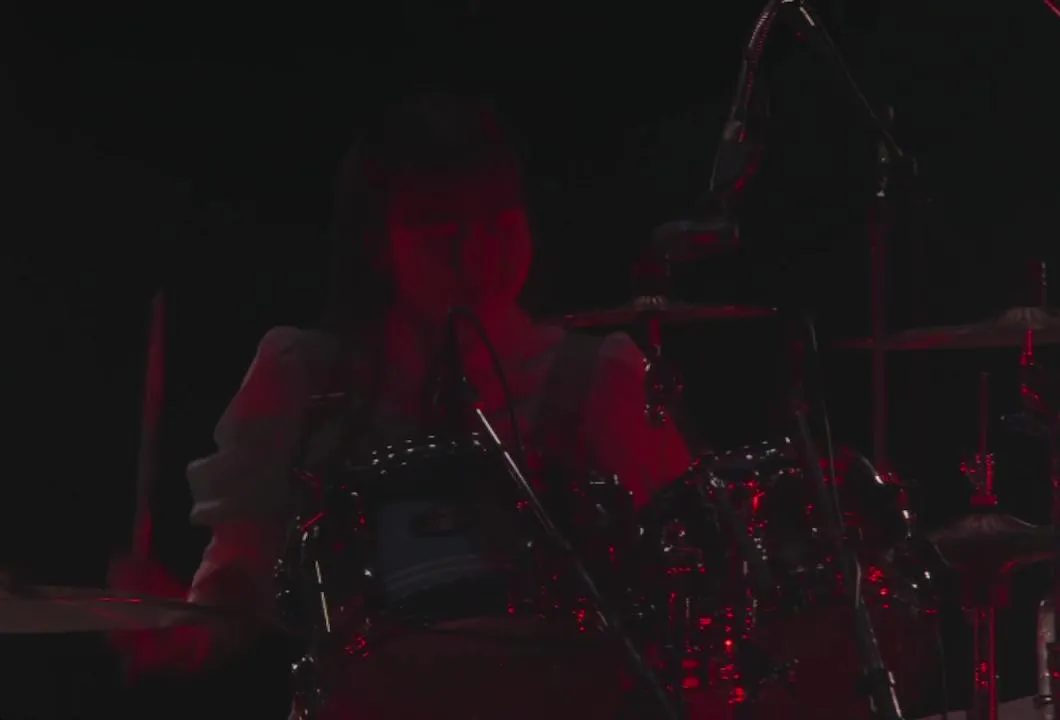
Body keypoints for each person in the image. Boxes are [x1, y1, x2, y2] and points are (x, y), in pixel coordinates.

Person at [111, 93, 693, 719]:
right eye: (442, 229)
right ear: (378, 242)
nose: (478, 249)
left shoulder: (601, 377)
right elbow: (244, 561)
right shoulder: (304, 376)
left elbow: (691, 557)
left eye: (501, 218)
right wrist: (187, 627)